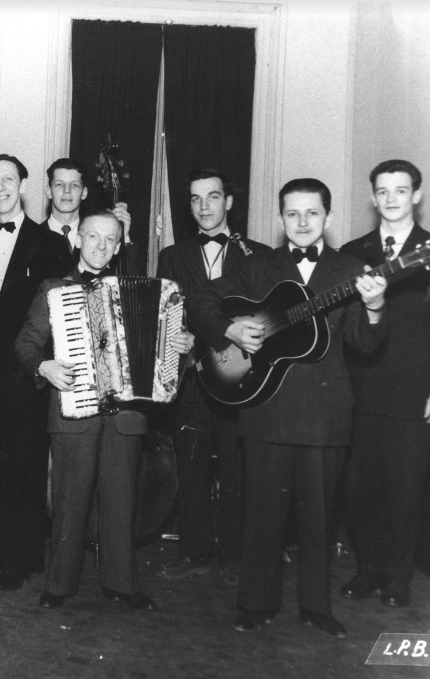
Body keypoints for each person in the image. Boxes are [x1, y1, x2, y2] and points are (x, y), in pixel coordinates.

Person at [188, 178, 388, 639]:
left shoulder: (352, 269)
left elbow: (364, 342)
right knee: (262, 513)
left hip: (326, 410)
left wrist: (375, 308)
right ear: (280, 219)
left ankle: (317, 607)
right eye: (293, 214)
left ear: (328, 218)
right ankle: (256, 604)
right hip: (265, 405)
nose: (302, 222)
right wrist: (229, 332)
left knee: (319, 517)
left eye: (312, 214)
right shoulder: (258, 266)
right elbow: (200, 299)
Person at [16, 211, 193, 610]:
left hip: (127, 417)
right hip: (72, 412)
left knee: (121, 501)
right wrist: (43, 365)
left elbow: (166, 355)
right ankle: (58, 585)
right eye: (92, 237)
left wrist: (179, 349)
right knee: (68, 500)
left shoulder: (148, 292)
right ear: (78, 239)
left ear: (118, 247)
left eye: (109, 240)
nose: (99, 245)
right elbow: (26, 343)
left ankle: (122, 583)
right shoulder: (54, 288)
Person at [340, 160, 430, 608]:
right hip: (359, 387)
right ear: (373, 197)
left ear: (416, 194)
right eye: (382, 190)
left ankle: (398, 578)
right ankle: (368, 568)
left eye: (401, 189)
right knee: (359, 487)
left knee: (404, 486)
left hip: (414, 390)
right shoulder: (353, 252)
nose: (391, 198)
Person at [0, 154, 71, 590]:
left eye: (9, 179)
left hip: (29, 371)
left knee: (25, 465)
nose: (0, 187)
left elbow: (60, 313)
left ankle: (23, 561)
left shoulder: (51, 243)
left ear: (22, 184)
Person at [156, 169, 271, 585]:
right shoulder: (172, 256)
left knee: (238, 466)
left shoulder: (259, 255)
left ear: (229, 202)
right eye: (195, 199)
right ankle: (194, 551)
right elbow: (163, 310)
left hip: (239, 374)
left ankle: (235, 555)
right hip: (191, 374)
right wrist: (177, 333)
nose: (204, 207)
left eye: (213, 197)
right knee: (191, 466)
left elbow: (265, 312)